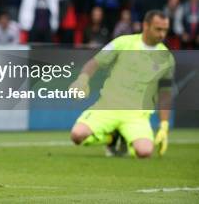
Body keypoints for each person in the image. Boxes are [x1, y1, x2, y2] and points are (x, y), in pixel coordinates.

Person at [69, 10, 174, 158]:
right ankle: (112, 138)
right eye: (158, 29)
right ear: (146, 26)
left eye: (165, 30)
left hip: (137, 115)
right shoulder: (123, 42)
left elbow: (165, 93)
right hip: (108, 107)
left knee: (145, 152)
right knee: (77, 135)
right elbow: (95, 62)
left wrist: (164, 125)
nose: (162, 34)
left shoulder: (166, 57)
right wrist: (82, 80)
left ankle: (125, 139)